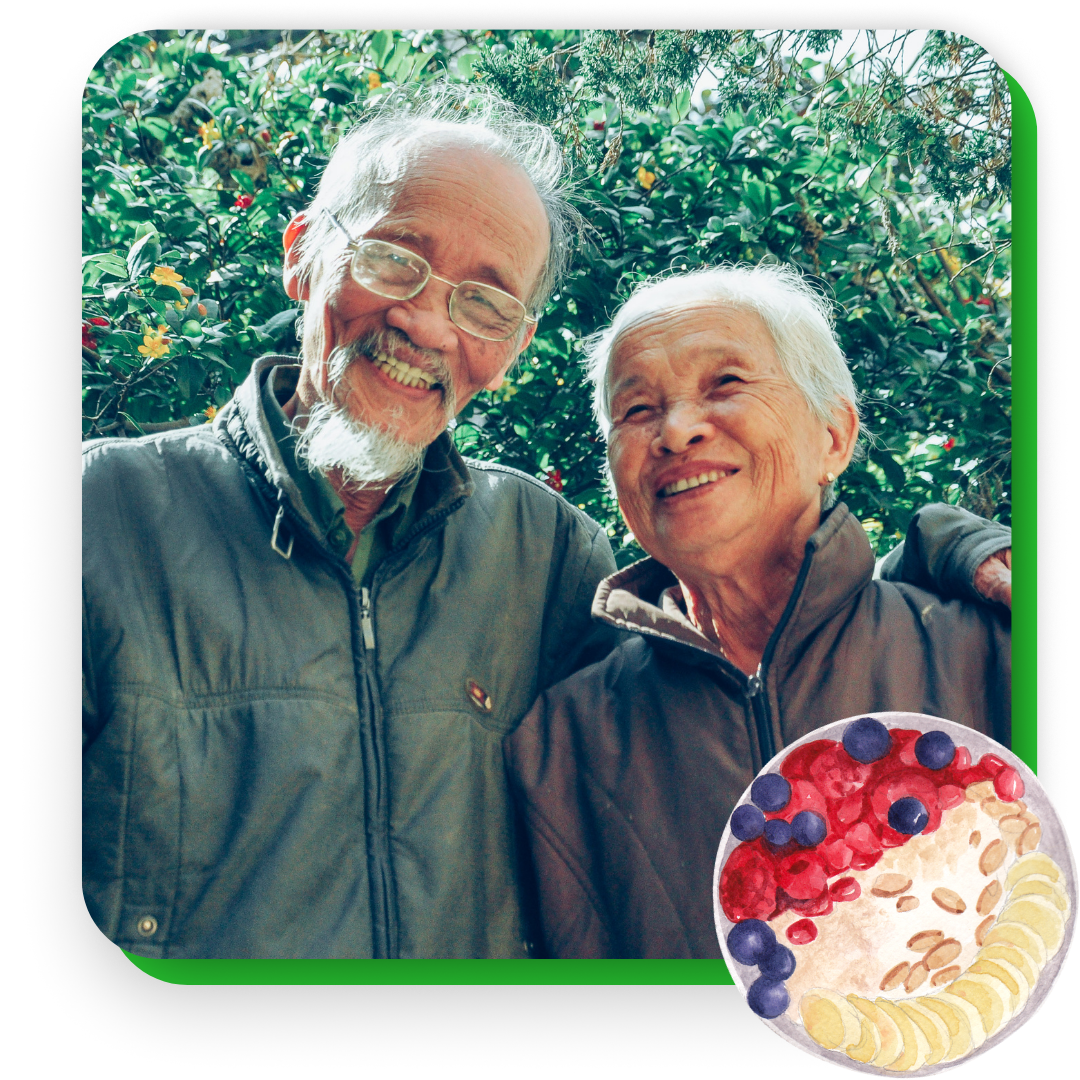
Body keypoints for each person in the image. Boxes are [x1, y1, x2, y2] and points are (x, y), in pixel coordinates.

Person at [83, 89, 1008, 960]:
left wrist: (947, 544)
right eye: (393, 257)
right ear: (302, 254)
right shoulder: (104, 518)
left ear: (514, 344)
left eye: (484, 300)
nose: (426, 322)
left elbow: (760, 659)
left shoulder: (542, 551)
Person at [505, 263, 1012, 959]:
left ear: (832, 437)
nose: (677, 431)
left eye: (727, 384)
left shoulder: (992, 652)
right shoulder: (561, 744)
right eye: (638, 410)